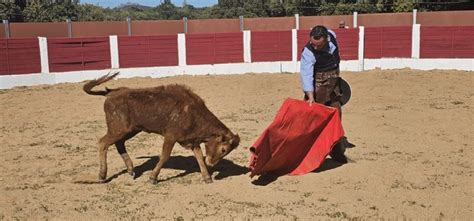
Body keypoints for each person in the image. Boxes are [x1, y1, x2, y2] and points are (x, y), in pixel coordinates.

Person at [299, 25, 348, 163]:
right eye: (312, 44)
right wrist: (310, 96)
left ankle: (336, 149)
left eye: (318, 45)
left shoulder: (331, 35)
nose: (315, 47)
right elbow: (306, 73)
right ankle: (307, 150)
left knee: (336, 115)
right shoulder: (308, 52)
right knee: (313, 120)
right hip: (318, 86)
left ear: (326, 39)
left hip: (334, 83)